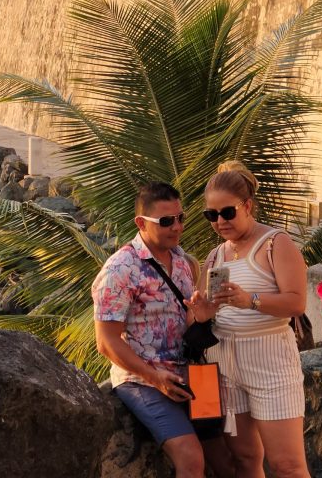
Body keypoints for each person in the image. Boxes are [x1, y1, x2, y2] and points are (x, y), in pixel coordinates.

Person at [92, 182, 233, 478]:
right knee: (191, 458)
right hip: (143, 381)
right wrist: (153, 377)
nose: (177, 227)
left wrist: (202, 316)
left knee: (225, 462)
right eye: (167, 221)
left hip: (192, 376)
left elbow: (185, 323)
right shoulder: (120, 269)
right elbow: (105, 342)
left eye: (181, 218)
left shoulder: (182, 262)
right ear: (141, 223)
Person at [186, 160, 310, 478]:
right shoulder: (216, 256)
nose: (220, 222)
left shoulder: (274, 243)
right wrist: (202, 315)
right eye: (211, 215)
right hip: (226, 365)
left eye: (227, 212)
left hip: (270, 362)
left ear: (247, 205)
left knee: (288, 466)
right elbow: (205, 310)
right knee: (244, 460)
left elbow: (296, 303)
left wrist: (249, 300)